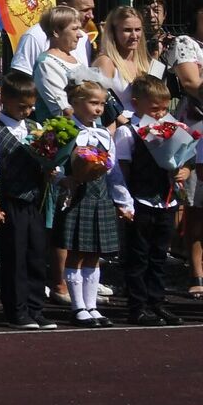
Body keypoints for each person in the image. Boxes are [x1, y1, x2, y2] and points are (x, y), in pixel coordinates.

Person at [115, 76, 186, 326]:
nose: (160, 114)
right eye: (154, 109)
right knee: (139, 256)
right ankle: (138, 305)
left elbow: (183, 160)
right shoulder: (128, 131)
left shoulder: (171, 127)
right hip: (140, 200)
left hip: (165, 201)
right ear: (136, 104)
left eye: (164, 109)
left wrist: (182, 172)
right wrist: (124, 201)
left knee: (159, 255)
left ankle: (156, 302)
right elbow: (121, 168)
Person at [56, 80, 127, 327]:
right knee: (75, 253)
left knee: (94, 254)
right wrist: (63, 178)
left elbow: (113, 169)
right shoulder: (64, 129)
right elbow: (52, 162)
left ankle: (92, 305)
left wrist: (123, 200)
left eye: (102, 104)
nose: (99, 109)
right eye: (93, 103)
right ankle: (78, 307)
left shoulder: (104, 133)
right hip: (76, 196)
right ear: (75, 103)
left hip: (99, 197)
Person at [0, 71, 52, 329]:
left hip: (35, 200)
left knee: (36, 255)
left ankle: (36, 308)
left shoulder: (35, 127)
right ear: (5, 100)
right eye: (22, 106)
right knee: (15, 257)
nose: (27, 110)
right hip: (11, 199)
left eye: (31, 105)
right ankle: (16, 310)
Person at [11, 0, 97, 76]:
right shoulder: (35, 36)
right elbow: (21, 79)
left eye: (92, 9)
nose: (91, 16)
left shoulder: (83, 37)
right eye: (85, 10)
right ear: (64, 6)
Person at [95, 7, 158, 116]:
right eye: (127, 30)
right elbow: (99, 104)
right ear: (113, 32)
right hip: (120, 127)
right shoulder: (106, 62)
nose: (134, 36)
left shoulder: (146, 63)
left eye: (138, 29)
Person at [32, 6, 87, 121]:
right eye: (74, 29)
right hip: (65, 133)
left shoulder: (74, 58)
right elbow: (63, 110)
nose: (80, 35)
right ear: (56, 32)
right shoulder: (46, 64)